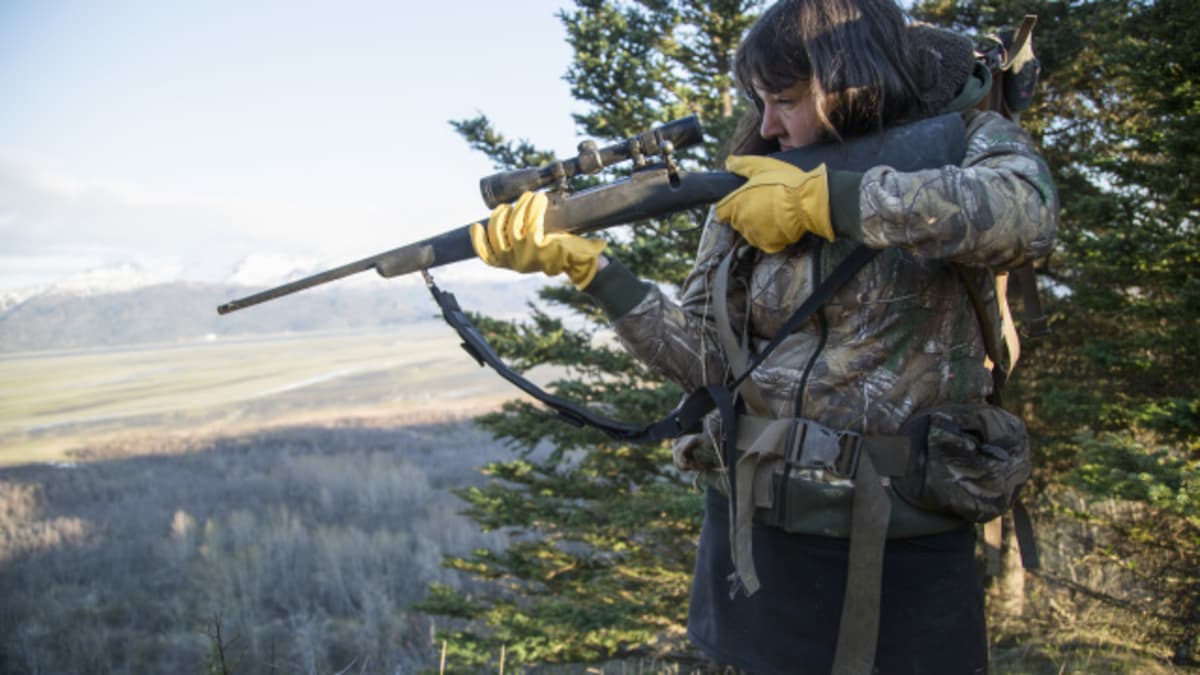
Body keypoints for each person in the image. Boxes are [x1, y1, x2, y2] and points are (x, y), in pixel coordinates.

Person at [470, 0, 1059, 672]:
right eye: (760, 99)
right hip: (752, 540)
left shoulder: (967, 137)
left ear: (850, 83)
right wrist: (599, 274)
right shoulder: (754, 174)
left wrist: (827, 201)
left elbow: (1026, 212)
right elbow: (708, 359)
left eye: (784, 99)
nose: (769, 122)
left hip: (904, 543)